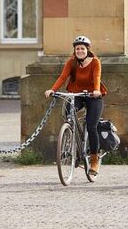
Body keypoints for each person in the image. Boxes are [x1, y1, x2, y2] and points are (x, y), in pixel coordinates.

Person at [45, 35, 106, 176]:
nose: (79, 51)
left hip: (93, 96)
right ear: (74, 50)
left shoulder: (95, 62)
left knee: (91, 126)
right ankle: (72, 143)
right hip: (76, 94)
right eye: (77, 49)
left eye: (82, 48)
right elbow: (62, 77)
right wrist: (53, 89)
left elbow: (97, 77)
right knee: (68, 114)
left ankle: (94, 160)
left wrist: (96, 91)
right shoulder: (71, 62)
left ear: (87, 50)